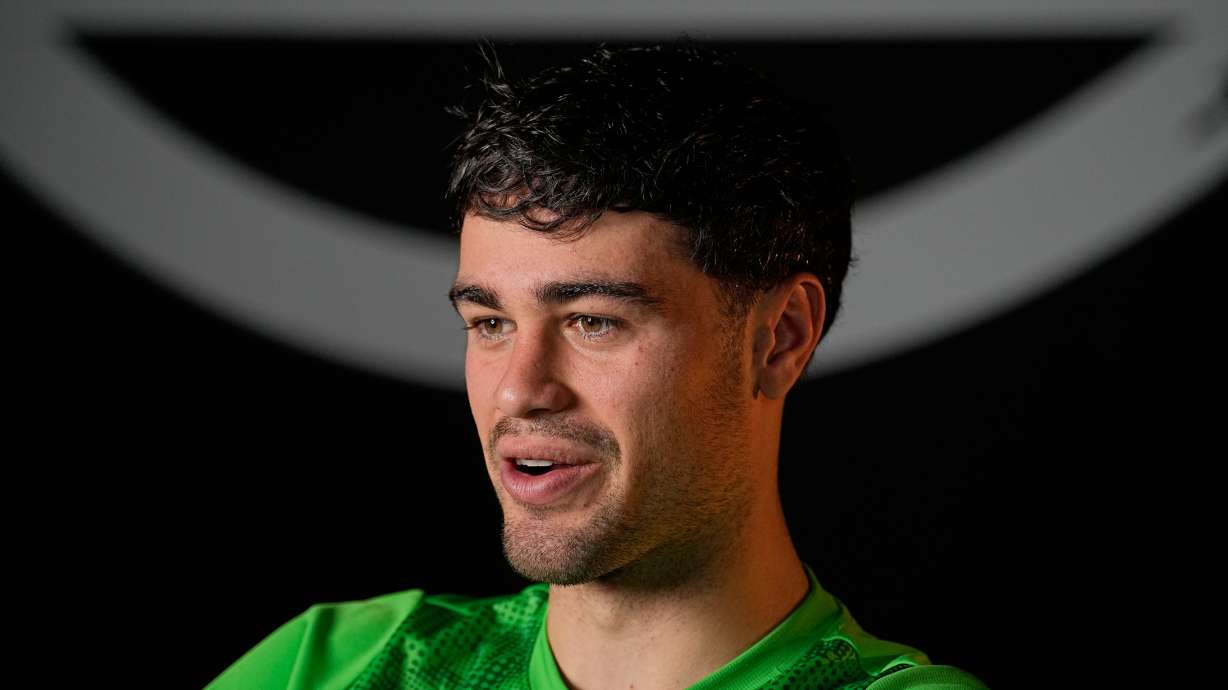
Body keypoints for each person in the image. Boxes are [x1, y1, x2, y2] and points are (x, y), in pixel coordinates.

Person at [204, 42, 988, 690]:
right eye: (490, 323)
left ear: (778, 338)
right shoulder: (337, 664)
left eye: (592, 322)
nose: (518, 388)